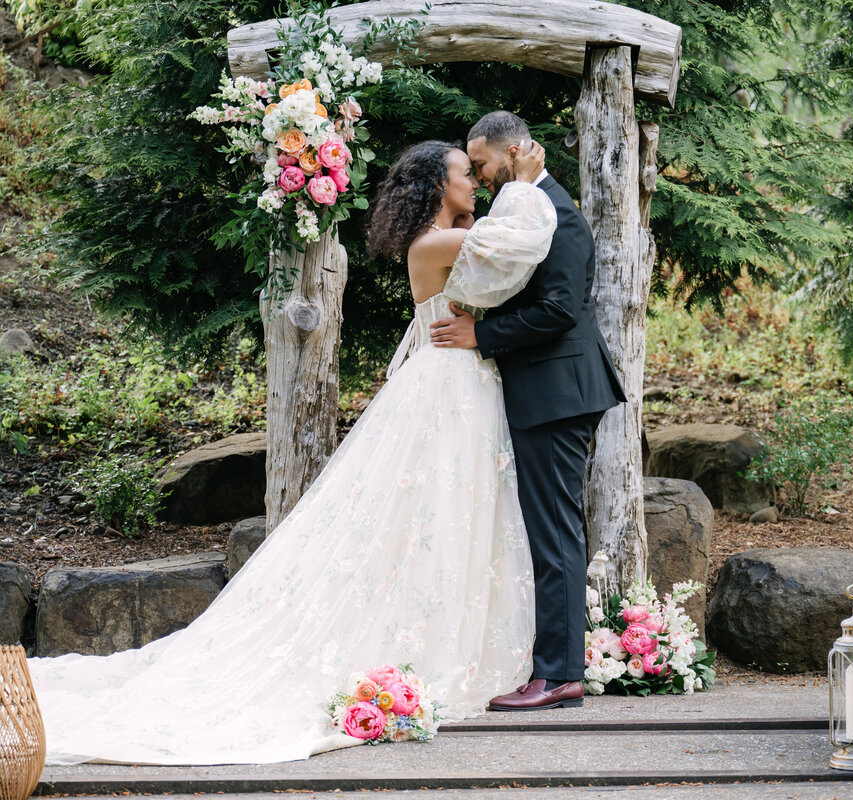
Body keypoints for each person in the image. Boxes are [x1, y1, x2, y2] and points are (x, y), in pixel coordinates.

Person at [28, 139, 554, 765]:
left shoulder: (449, 237)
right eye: (467, 175)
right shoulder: (435, 244)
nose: (477, 184)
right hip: (448, 387)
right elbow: (527, 243)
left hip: (459, 382)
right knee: (434, 504)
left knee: (452, 505)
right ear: (439, 187)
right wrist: (527, 180)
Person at [431, 111, 626, 711]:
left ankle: (560, 674)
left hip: (557, 394)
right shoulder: (525, 208)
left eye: (484, 163)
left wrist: (480, 336)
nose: (482, 176)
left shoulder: (558, 215)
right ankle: (553, 666)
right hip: (545, 391)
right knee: (547, 532)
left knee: (554, 535)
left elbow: (562, 310)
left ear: (513, 151)